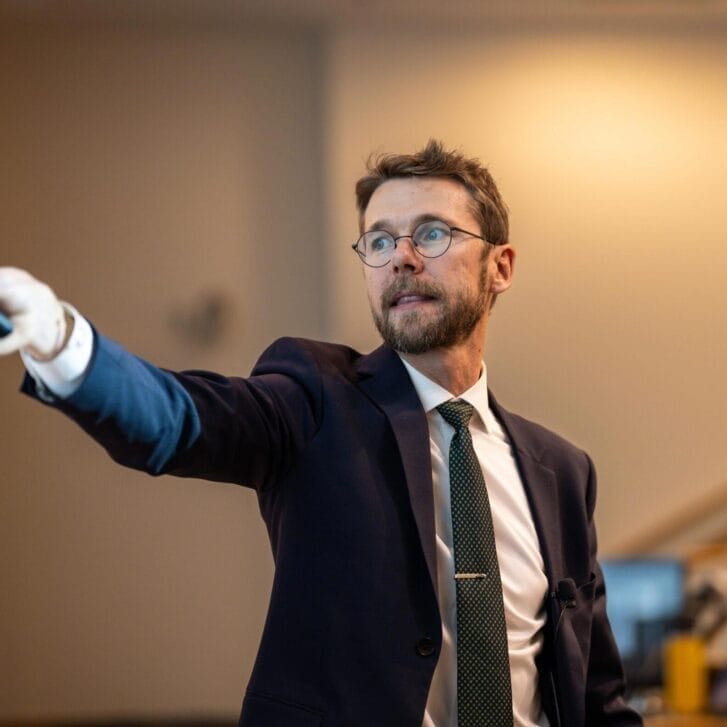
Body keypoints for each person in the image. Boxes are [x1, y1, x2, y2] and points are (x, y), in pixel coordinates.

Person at [0, 140, 642, 727]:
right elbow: (179, 418)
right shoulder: (314, 398)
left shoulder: (562, 471)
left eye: (433, 233)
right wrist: (61, 342)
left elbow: (597, 696)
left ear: (499, 266)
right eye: (380, 242)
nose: (403, 260)